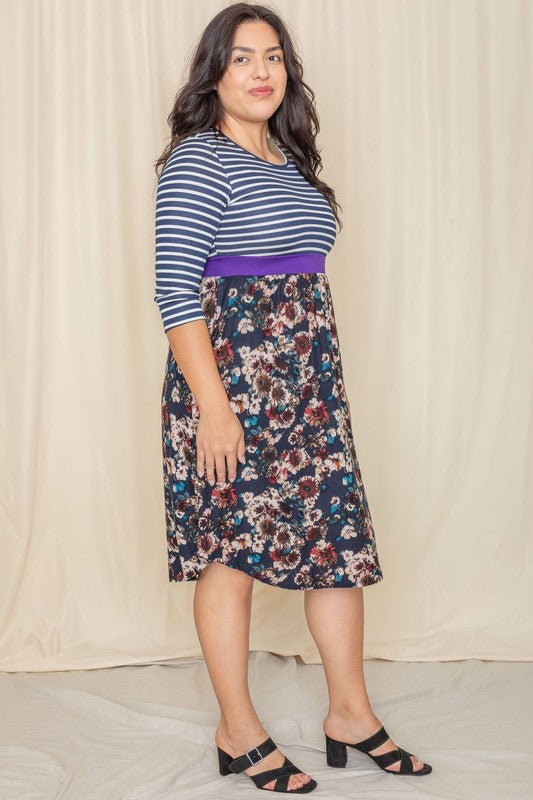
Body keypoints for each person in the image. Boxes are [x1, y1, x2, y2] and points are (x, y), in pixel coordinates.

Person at [153, 3, 431, 793]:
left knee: (336, 553)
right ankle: (237, 730)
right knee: (230, 556)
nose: (261, 71)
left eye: (272, 56)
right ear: (214, 73)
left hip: (308, 392)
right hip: (230, 391)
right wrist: (212, 405)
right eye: (241, 58)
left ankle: (351, 713)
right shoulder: (196, 161)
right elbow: (176, 290)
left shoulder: (288, 159)